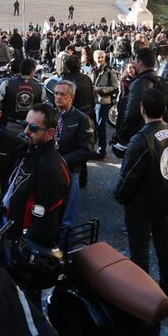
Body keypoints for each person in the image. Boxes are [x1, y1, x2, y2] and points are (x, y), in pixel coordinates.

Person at [115, 89, 168, 301]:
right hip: (166, 200)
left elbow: (128, 176)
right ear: (164, 109)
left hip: (142, 205)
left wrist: (121, 196)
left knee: (139, 250)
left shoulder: (141, 139)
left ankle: (141, 297)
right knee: (164, 244)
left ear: (142, 110)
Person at [5, 102, 71, 248]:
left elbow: (47, 217)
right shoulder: (28, 149)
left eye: (33, 128)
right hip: (11, 228)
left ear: (50, 133)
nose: (27, 131)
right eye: (25, 124)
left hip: (25, 242)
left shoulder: (52, 167)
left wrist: (25, 244)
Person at [54, 80, 94, 228]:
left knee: (68, 216)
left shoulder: (82, 119)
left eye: (62, 94)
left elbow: (87, 149)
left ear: (72, 97)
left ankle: (65, 242)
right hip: (50, 169)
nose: (58, 97)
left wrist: (63, 161)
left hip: (70, 171)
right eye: (56, 93)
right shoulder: (50, 114)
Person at [0, 57, 45, 128]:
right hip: (30, 128)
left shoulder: (6, 84)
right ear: (32, 72)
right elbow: (42, 109)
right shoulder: (40, 88)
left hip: (9, 125)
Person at [92, 50, 118, 158]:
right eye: (98, 57)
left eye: (102, 57)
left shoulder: (109, 70)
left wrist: (100, 90)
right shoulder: (92, 69)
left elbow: (115, 87)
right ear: (94, 58)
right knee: (94, 125)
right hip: (92, 101)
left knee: (100, 126)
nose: (100, 59)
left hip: (103, 102)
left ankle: (102, 150)